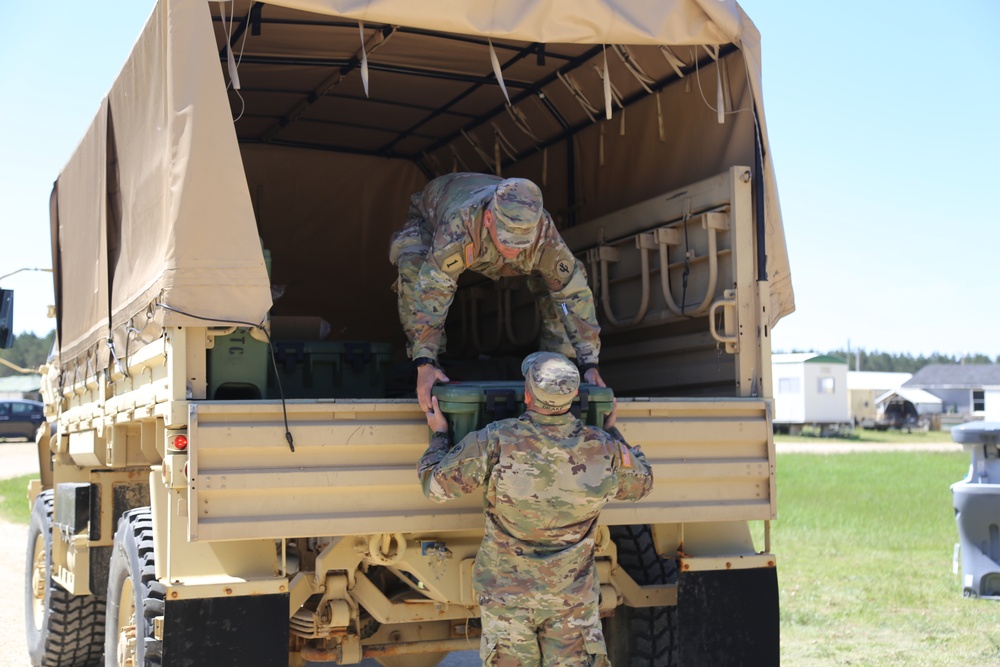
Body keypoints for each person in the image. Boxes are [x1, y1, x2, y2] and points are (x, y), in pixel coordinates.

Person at [417, 352, 653, 666]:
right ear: (573, 397)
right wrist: (614, 434)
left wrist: (439, 435)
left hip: (508, 598)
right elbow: (642, 482)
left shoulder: (497, 439)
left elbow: (436, 486)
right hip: (571, 598)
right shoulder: (603, 447)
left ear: (527, 395)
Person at [389, 172, 605, 411]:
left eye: (521, 242)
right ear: (490, 217)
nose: (513, 249)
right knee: (414, 269)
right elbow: (434, 292)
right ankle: (432, 371)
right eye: (507, 240)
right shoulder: (460, 225)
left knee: (557, 294)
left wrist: (589, 363)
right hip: (431, 219)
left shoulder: (544, 234)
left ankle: (558, 368)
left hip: (497, 246)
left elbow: (570, 297)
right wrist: (424, 360)